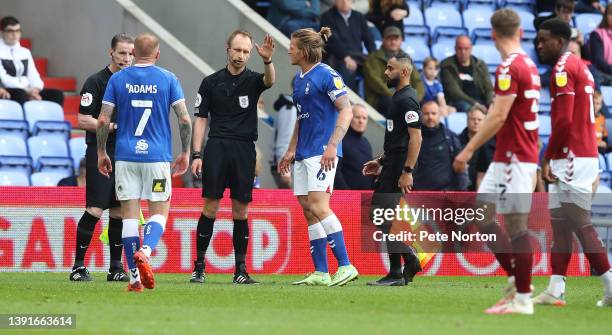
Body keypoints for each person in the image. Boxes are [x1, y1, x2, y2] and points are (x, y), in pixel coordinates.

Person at [453, 9, 541, 315]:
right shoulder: (529, 64)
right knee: (482, 214)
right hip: (510, 155)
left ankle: (524, 299)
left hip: (516, 156)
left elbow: (500, 115)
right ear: (519, 32)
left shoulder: (509, 67)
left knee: (516, 226)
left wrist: (467, 151)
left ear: (492, 35)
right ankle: (517, 280)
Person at [97, 33, 192, 292]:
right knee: (159, 211)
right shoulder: (168, 79)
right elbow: (184, 119)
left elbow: (103, 120)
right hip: (156, 156)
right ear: (158, 53)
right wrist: (186, 152)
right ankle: (146, 250)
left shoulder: (117, 79)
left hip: (126, 156)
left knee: (128, 217)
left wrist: (101, 152)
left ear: (134, 53)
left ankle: (134, 279)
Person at [532, 18, 612, 308]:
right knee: (561, 224)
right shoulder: (581, 66)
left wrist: (548, 156)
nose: (539, 45)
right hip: (581, 152)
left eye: (544, 40)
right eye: (537, 40)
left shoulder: (563, 68)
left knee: (578, 221)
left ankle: (611, 285)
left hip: (572, 156)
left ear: (559, 40)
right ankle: (555, 289)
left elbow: (564, 121)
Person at [190, 31, 276, 285]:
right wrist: (197, 153)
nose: (241, 56)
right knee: (211, 207)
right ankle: (199, 266)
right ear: (227, 48)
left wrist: (268, 61)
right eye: (237, 50)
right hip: (216, 148)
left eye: (246, 52)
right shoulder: (210, 82)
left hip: (244, 149)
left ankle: (240, 269)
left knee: (241, 209)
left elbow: (270, 82)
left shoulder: (253, 80)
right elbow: (201, 119)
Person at [278, 27, 359, 286]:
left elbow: (346, 110)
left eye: (291, 45)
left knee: (319, 206)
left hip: (322, 151)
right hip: (303, 151)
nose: (288, 49)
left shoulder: (327, 74)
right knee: (307, 208)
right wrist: (291, 150)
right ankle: (321, 272)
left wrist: (332, 145)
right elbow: (301, 120)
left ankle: (346, 265)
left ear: (303, 50)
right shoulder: (300, 78)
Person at [68, 33, 134, 283]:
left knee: (118, 211)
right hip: (101, 151)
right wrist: (113, 127)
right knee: (95, 209)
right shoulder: (96, 81)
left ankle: (115, 267)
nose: (126, 58)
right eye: (122, 53)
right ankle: (78, 266)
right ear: (111, 53)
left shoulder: (133, 84)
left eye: (130, 54)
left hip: (127, 154)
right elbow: (83, 119)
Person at [362, 56, 422, 286]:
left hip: (399, 167)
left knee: (379, 215)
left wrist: (407, 170)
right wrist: (381, 160)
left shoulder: (407, 99)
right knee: (384, 216)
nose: (385, 72)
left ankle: (409, 258)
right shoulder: (397, 98)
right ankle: (396, 271)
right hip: (392, 162)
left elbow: (416, 138)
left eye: (390, 68)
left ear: (404, 71)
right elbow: (397, 139)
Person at [0, 16, 63, 106]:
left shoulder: (25, 52)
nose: (15, 34)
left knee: (57, 95)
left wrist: (35, 89)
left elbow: (33, 74)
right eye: (10, 31)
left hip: (27, 90)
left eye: (18, 31)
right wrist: (27, 91)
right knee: (20, 94)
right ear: (2, 32)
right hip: (9, 90)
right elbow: (4, 79)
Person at [363, 26, 424, 115]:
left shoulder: (407, 59)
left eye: (396, 39)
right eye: (389, 39)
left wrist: (415, 98)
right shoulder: (373, 58)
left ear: (401, 40)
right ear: (383, 40)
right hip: (382, 98)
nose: (393, 42)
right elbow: (375, 82)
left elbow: (418, 81)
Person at [320, 0, 376, 92]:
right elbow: (331, 42)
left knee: (376, 70)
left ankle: (371, 105)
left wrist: (373, 57)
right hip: (337, 58)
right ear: (335, 1)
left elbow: (369, 40)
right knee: (348, 70)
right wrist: (346, 57)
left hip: (358, 57)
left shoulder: (359, 16)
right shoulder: (326, 17)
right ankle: (347, 103)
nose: (345, 2)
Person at [413, 101, 467, 191]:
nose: (430, 117)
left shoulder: (450, 137)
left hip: (444, 195)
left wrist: (462, 193)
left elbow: (460, 167)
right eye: (426, 114)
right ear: (421, 116)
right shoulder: (413, 138)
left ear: (439, 115)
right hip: (417, 194)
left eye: (433, 113)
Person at [440, 36, 493, 114]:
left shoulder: (480, 65)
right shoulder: (447, 66)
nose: (463, 52)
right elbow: (454, 92)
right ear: (455, 49)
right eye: (460, 49)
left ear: (471, 48)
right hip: (459, 102)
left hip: (481, 101)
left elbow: (488, 87)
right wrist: (475, 104)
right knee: (466, 107)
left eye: (466, 49)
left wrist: (490, 104)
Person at [334, 104, 374, 190]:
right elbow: (335, 171)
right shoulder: (340, 140)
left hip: (365, 198)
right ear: (350, 118)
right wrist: (347, 194)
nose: (361, 121)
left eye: (364, 118)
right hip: (346, 199)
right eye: (357, 117)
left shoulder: (366, 143)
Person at [458, 104, 495, 191]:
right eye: (473, 119)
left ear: (485, 121)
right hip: (461, 188)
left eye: (479, 120)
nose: (476, 122)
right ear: (467, 120)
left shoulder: (491, 143)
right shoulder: (457, 141)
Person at [271, 84, 297, 189]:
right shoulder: (290, 109)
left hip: (290, 165)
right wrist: (285, 170)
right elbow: (284, 140)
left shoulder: (294, 107)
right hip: (289, 167)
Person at [589, 4, 612, 85]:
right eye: (610, 14)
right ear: (605, 16)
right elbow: (599, 62)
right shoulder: (596, 34)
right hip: (602, 74)